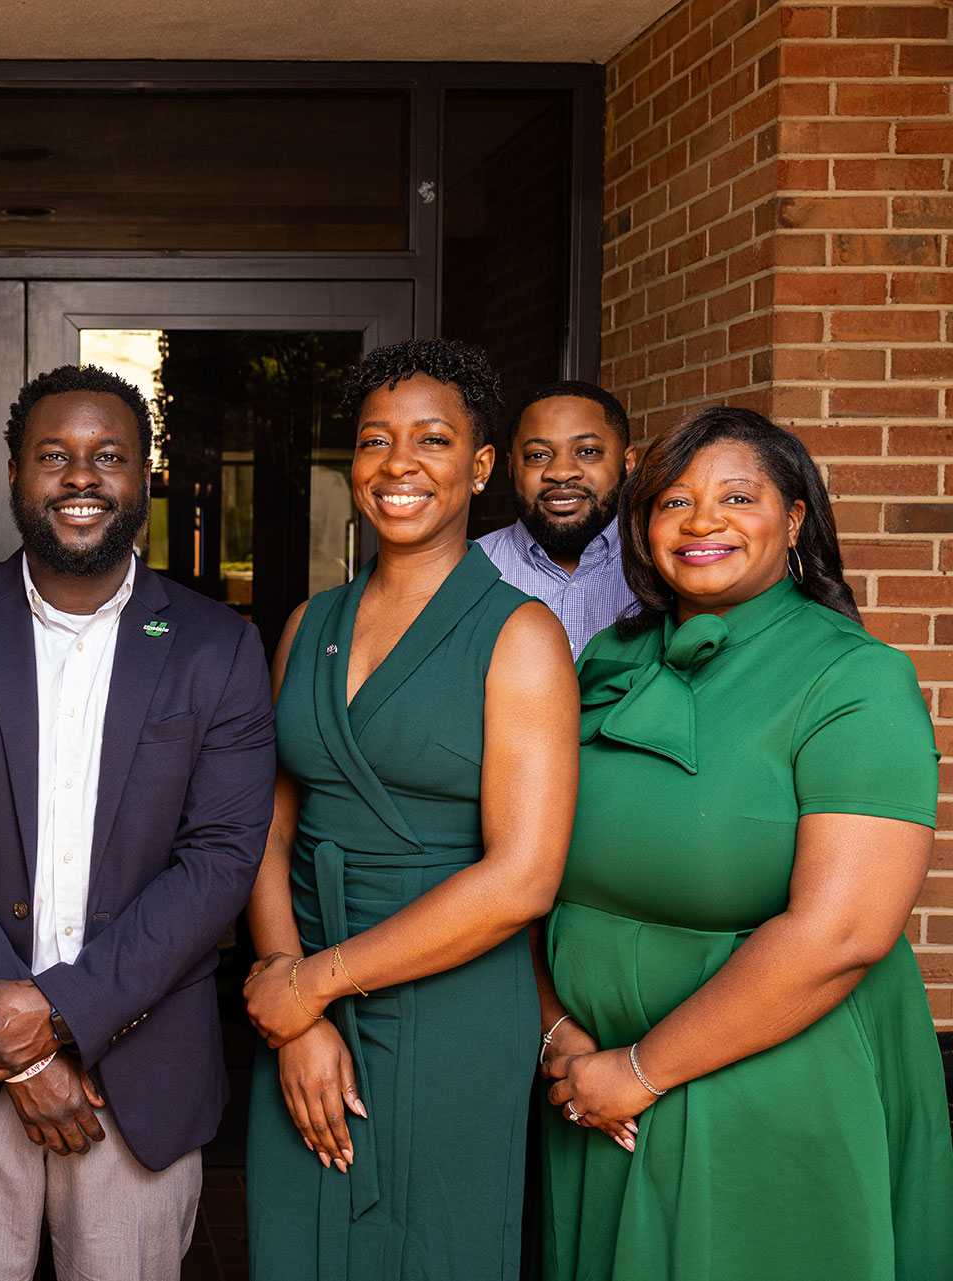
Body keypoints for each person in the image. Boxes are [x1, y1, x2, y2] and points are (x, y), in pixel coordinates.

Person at [0, 365, 276, 1281]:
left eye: (109, 456)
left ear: (144, 476)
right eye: (54, 455)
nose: (81, 477)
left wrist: (59, 1017)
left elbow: (219, 860)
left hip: (137, 1078)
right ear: (13, 474)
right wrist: (16, 1056)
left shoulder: (219, 645)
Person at [537, 406, 953, 1280]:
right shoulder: (611, 656)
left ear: (795, 517)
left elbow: (842, 933)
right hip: (588, 1083)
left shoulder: (853, 677)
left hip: (765, 1081)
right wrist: (559, 1032)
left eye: (737, 497)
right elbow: (527, 866)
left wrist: (642, 1070)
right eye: (672, 501)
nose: (701, 522)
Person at [243, 339, 578, 1280]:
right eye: (374, 440)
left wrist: (318, 983)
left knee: (436, 1248)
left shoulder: (521, 634)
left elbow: (522, 879)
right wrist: (291, 999)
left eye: (432, 440)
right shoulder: (309, 623)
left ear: (477, 469)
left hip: (451, 1000)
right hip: (302, 993)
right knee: (298, 1243)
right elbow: (269, 826)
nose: (399, 464)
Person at [475, 380, 638, 658]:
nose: (561, 472)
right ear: (512, 467)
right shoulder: (471, 569)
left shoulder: (665, 567)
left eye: (588, 451)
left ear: (628, 464)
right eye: (538, 455)